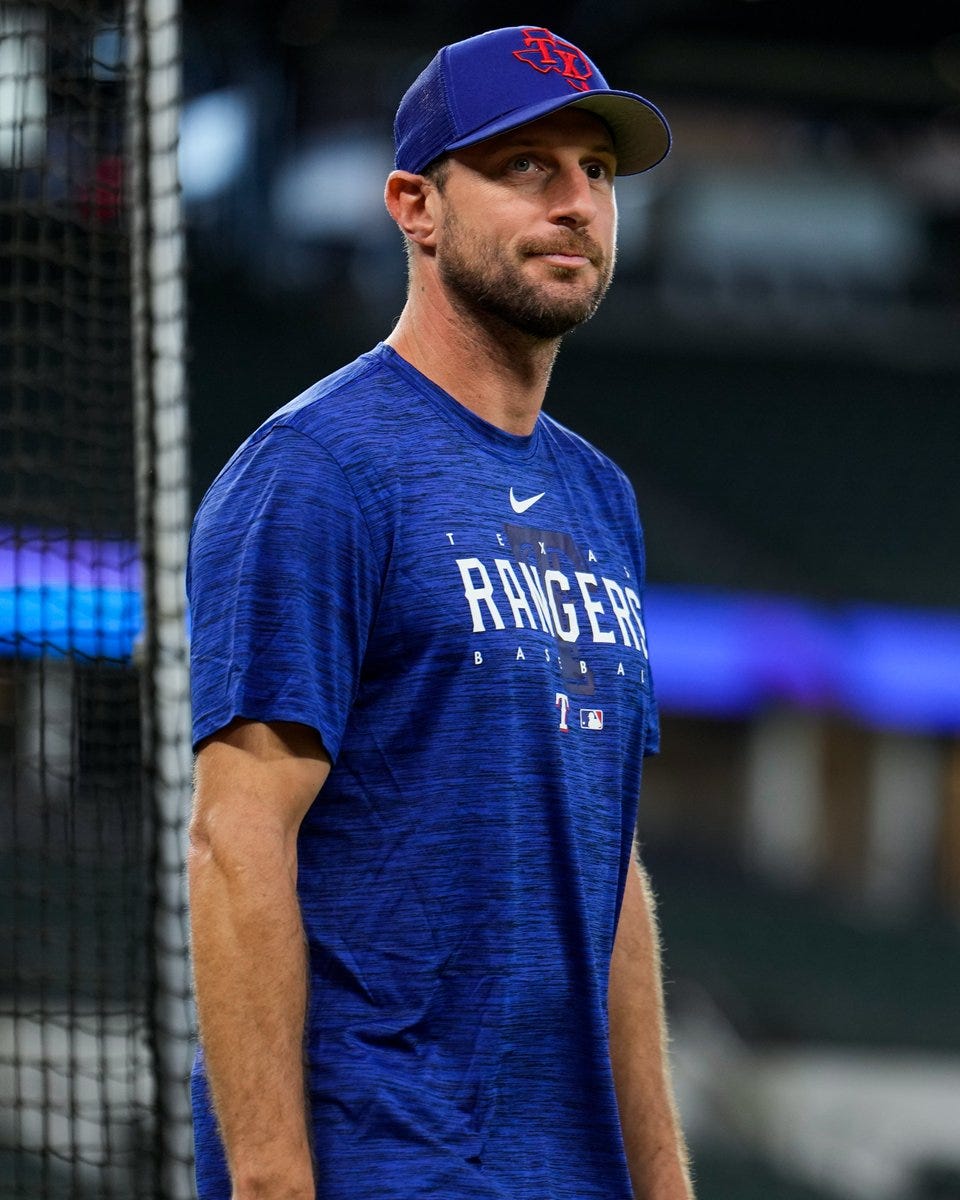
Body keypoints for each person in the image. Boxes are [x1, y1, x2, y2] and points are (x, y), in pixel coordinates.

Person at [187, 24, 694, 1200]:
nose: (577, 204)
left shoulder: (600, 498)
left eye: (599, 174)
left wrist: (663, 1181)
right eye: (528, 167)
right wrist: (271, 1184)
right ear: (415, 205)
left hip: (567, 1169)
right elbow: (235, 839)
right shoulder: (317, 470)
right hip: (386, 1158)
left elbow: (604, 866)